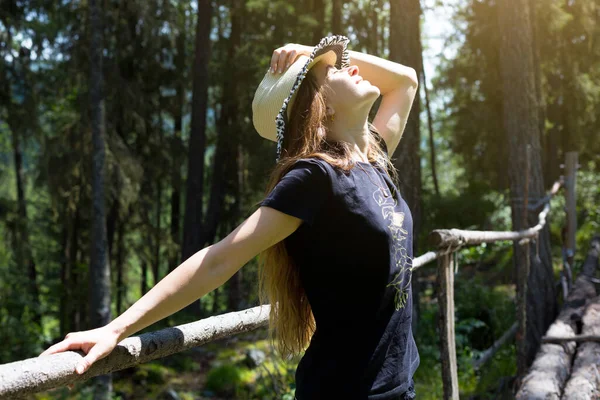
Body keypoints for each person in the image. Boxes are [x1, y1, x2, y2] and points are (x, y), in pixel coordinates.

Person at [39, 35, 420, 400]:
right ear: (321, 105)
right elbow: (218, 259)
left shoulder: (375, 160)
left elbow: (406, 80)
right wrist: (116, 328)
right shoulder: (316, 178)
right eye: (330, 72)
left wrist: (311, 52)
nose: (346, 67)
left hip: (398, 386)